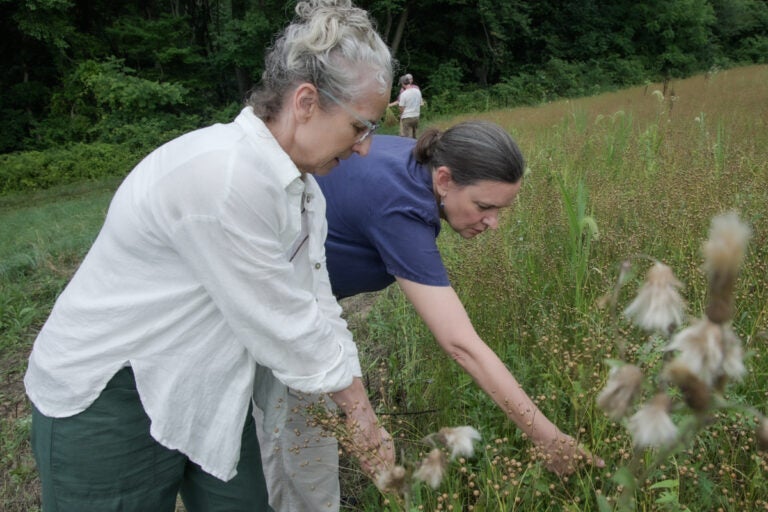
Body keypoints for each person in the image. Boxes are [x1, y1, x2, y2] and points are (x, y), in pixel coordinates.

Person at [23, 1, 394, 511]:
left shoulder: (305, 191)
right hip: (115, 391)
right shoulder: (224, 178)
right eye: (362, 127)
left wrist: (361, 412)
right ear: (306, 102)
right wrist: (359, 415)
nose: (366, 148)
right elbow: (282, 324)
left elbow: (316, 304)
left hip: (211, 386)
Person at [316, 121, 605, 476]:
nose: (493, 222)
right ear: (444, 179)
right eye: (484, 206)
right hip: (270, 298)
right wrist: (549, 439)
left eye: (500, 210)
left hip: (305, 299)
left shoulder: (414, 162)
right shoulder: (401, 206)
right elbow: (460, 345)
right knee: (302, 458)